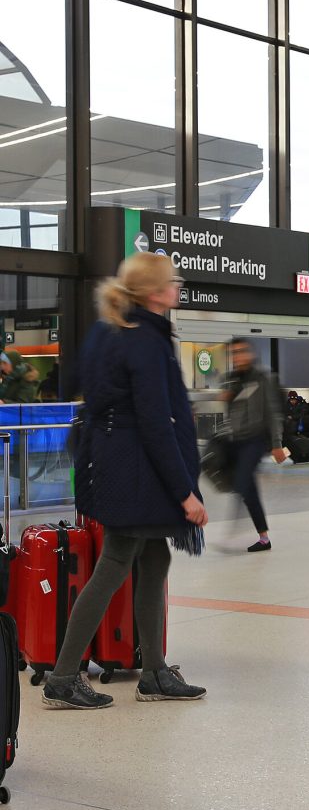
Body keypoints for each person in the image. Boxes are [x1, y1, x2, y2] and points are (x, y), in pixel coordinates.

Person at [42, 252, 208, 710]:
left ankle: (154, 672)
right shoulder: (145, 340)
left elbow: (81, 386)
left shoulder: (111, 329)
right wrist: (185, 493)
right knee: (114, 563)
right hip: (136, 471)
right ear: (154, 292)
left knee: (154, 558)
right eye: (171, 281)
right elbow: (155, 422)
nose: (177, 287)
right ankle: (62, 678)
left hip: (114, 461)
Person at [221, 338, 287, 553]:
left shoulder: (261, 378)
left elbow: (272, 413)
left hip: (256, 440)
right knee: (248, 489)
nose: (238, 356)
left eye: (241, 351)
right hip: (237, 441)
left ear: (250, 353)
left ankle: (237, 534)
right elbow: (232, 413)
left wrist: (277, 444)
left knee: (242, 482)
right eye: (234, 353)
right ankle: (263, 538)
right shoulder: (232, 379)